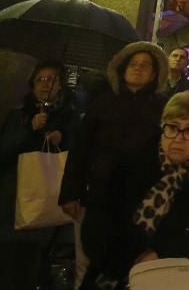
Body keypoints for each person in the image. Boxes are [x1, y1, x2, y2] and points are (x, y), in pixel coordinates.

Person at [80, 90, 189, 289]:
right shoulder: (126, 170)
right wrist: (131, 259)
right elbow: (96, 225)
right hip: (122, 278)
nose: (178, 138)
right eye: (172, 127)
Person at [61, 41, 169, 240]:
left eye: (145, 65)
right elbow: (81, 148)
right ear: (123, 69)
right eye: (133, 64)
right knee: (89, 253)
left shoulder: (164, 108)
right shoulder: (103, 103)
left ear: (154, 74)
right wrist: (70, 193)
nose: (138, 68)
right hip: (98, 192)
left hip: (142, 196)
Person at [0, 61, 80, 286]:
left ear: (61, 86)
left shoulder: (71, 116)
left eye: (52, 79)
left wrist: (63, 137)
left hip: (47, 196)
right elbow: (2, 151)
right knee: (6, 256)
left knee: (35, 259)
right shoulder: (19, 113)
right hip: (14, 194)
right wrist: (29, 129)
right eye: (41, 79)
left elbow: (78, 152)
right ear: (32, 85)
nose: (46, 84)